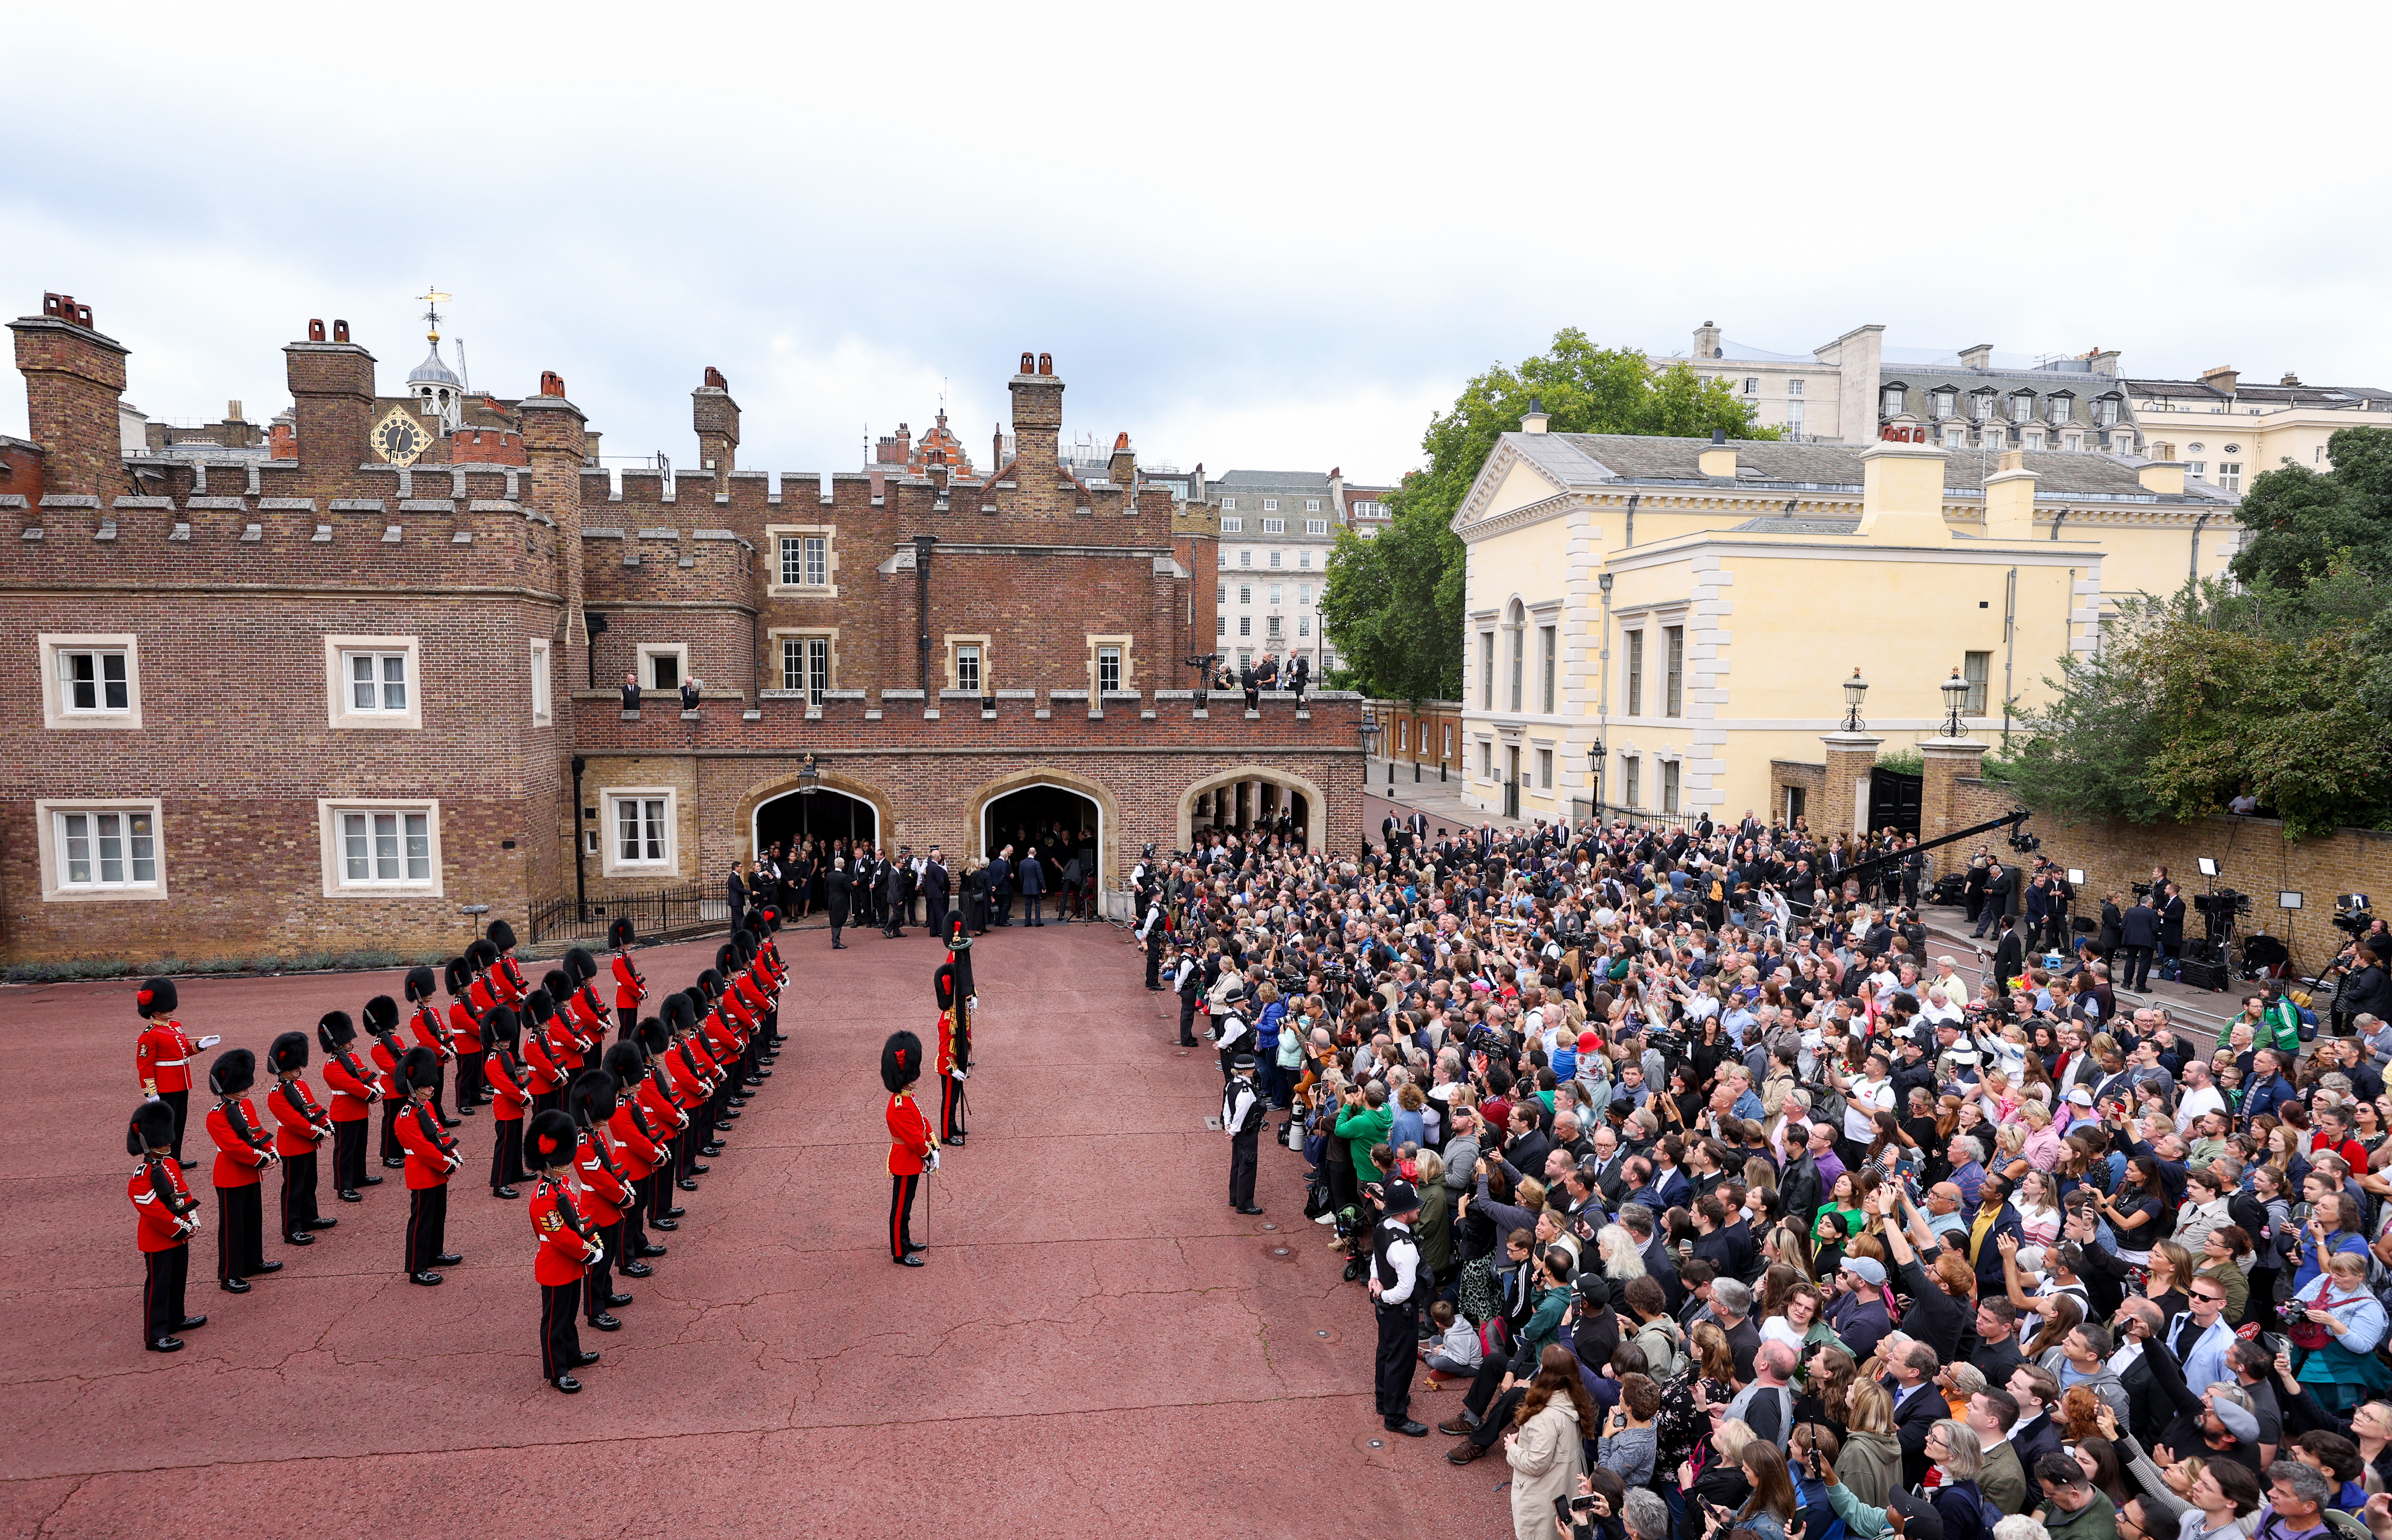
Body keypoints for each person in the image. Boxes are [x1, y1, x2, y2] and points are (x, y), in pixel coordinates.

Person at [526, 1107, 604, 1393]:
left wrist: (593, 1235)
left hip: (572, 1262)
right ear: (547, 1164)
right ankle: (557, 1371)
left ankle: (572, 1354)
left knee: (569, 1313)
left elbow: (579, 1214)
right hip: (557, 1264)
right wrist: (587, 1250)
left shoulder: (564, 1185)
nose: (566, 1165)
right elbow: (558, 1235)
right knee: (555, 1321)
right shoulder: (543, 1198)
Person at [128, 1099, 204, 1352]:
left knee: (177, 1279)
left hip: (179, 1233)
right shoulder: (141, 1177)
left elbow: (182, 1194)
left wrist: (191, 1220)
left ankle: (176, 1318)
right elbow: (153, 1210)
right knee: (159, 1286)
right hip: (159, 1238)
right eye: (163, 1141)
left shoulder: (170, 1164)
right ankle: (155, 1334)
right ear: (150, 1144)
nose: (170, 1143)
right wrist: (179, 1227)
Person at [204, 1047, 277, 1294]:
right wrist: (261, 1158)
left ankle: (253, 1262)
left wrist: (271, 1150)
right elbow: (233, 1147)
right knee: (232, 1228)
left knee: (253, 1220)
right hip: (231, 1175)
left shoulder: (245, 1106)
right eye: (242, 1085)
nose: (247, 1089)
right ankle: (229, 1274)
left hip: (250, 1172)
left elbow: (256, 1131)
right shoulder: (216, 1115)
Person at [568, 1071, 633, 1334]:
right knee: (597, 1264)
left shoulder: (596, 1135)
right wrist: (622, 1195)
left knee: (607, 1259)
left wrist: (623, 1183)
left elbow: (609, 1167)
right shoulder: (583, 1142)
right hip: (598, 1207)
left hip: (610, 1206)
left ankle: (606, 1294)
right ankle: (595, 1311)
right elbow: (596, 1178)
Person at [1508, 1342, 1594, 1540]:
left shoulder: (1545, 1415)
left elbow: (1536, 1463)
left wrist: (1512, 1449)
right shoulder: (1575, 1399)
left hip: (1542, 1496)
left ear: (1545, 1370)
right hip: (1565, 1486)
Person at [393, 1046, 463, 1286]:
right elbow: (423, 1149)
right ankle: (417, 1268)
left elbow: (439, 1134)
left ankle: (434, 1254)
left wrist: (454, 1153)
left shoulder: (427, 1107)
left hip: (437, 1171)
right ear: (414, 1087)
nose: (432, 1088)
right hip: (423, 1173)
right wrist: (447, 1164)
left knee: (437, 1215)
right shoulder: (405, 1116)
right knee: (422, 1221)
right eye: (426, 1085)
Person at [264, 1031, 337, 1248]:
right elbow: (293, 1121)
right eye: (295, 1066)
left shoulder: (300, 1086)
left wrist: (327, 1123)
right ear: (284, 1068)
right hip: (293, 1145)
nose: (299, 1069)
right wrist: (316, 1132)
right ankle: (292, 1228)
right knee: (294, 1188)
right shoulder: (276, 1093)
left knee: (309, 1182)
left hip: (307, 1143)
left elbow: (313, 1107)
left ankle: (309, 1218)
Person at [1372, 1179, 1430, 1439]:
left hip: (1385, 1308)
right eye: (1415, 1207)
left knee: (1386, 1351)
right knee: (1401, 1363)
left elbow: (1376, 1257)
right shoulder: (1405, 1247)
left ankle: (1384, 1399)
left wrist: (1376, 1282)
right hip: (1400, 1309)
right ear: (1405, 1212)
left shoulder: (1382, 1227)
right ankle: (1395, 1417)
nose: (1418, 1211)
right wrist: (1385, 1294)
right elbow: (1406, 1290)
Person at [134, 976, 200, 1167]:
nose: (170, 1010)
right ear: (154, 1011)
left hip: (182, 1083)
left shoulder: (176, 1027)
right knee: (165, 1126)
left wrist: (200, 1046)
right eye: (165, 1008)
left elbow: (184, 1052)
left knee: (179, 1123)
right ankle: (159, 1160)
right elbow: (145, 1066)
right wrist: (150, 1092)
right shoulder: (149, 1036)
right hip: (165, 1086)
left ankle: (174, 1159)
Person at [317, 1009, 380, 1203]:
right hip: (345, 1113)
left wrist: (377, 1086)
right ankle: (344, 1187)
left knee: (360, 1146)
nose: (352, 1041)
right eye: (348, 1039)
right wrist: (371, 1094)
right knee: (345, 1151)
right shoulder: (332, 1065)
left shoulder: (352, 1058)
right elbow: (351, 1085)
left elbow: (365, 1073)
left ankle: (359, 1176)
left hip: (360, 1109)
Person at [884, 1030, 935, 1266]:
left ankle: (905, 1240)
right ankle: (900, 1252)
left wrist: (933, 1144)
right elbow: (914, 1139)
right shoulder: (898, 1106)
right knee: (901, 1210)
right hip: (906, 1162)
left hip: (912, 1161)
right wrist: (928, 1153)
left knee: (907, 1205)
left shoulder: (907, 1097)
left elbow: (923, 1121)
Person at [934, 943, 973, 1148]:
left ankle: (953, 1125)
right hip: (950, 1067)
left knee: (955, 1099)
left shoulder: (957, 1012)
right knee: (949, 1101)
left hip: (958, 1064)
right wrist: (954, 1068)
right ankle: (947, 1135)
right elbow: (945, 1048)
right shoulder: (948, 1018)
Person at [1225, 1052, 1265, 1214]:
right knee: (1248, 1167)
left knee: (1237, 1164)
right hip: (1247, 1132)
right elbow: (1241, 1112)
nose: (1254, 1071)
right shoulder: (1246, 1091)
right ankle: (1245, 1204)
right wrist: (1234, 1130)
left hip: (1239, 1131)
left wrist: (1228, 1125)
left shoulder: (1231, 1085)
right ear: (1247, 1071)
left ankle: (1235, 1197)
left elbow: (1228, 1106)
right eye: (1252, 1069)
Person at [608, 918, 646, 1041]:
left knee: (631, 1030)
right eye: (627, 942)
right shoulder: (618, 961)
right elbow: (627, 982)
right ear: (621, 942)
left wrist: (643, 989)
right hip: (625, 999)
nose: (629, 944)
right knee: (626, 1033)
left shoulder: (627, 958)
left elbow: (635, 976)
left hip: (631, 998)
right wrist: (639, 993)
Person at [923, 846, 951, 941]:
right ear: (938, 857)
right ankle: (942, 931)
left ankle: (933, 931)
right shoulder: (937, 868)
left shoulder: (929, 866)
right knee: (940, 913)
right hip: (937, 893)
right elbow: (940, 882)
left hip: (930, 892)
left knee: (932, 913)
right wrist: (942, 890)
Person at [824, 857, 852, 949]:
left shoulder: (829, 875)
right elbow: (849, 889)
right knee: (838, 920)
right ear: (843, 866)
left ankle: (836, 940)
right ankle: (836, 942)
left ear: (835, 865)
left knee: (834, 919)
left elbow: (826, 887)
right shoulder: (844, 877)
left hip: (832, 899)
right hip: (840, 900)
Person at [1019, 846, 1047, 926]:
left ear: (1028, 853)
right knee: (1038, 903)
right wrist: (1044, 887)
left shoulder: (1022, 863)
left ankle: (1027, 922)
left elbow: (1021, 876)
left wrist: (1023, 884)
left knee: (1028, 905)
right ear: (1035, 854)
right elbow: (1040, 877)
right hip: (1035, 887)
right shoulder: (1036, 863)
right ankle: (1038, 922)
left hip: (1027, 886)